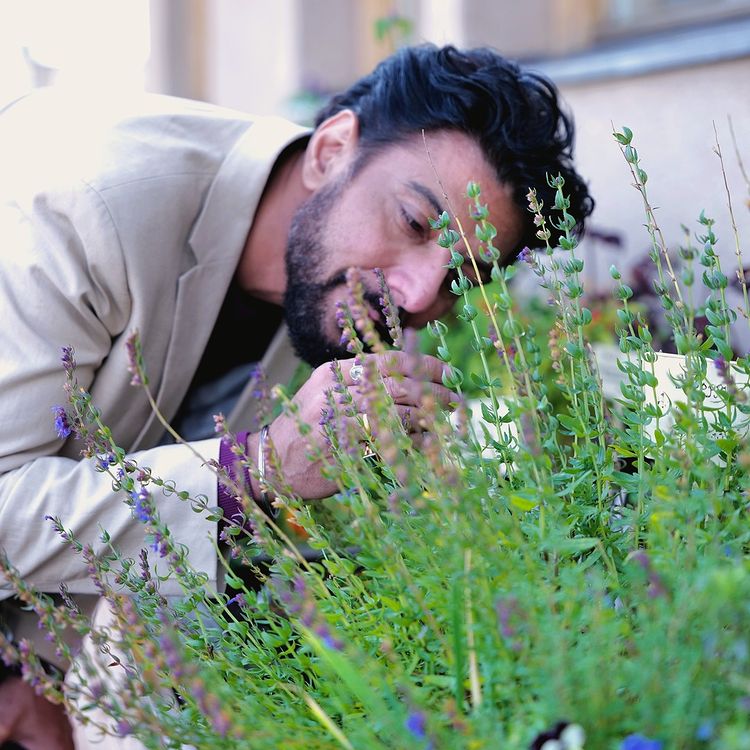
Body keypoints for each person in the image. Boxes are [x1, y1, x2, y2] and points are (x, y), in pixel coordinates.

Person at [0, 43, 593, 748]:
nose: (421, 295)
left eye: (464, 273)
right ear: (332, 149)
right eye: (412, 222)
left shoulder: (332, 288)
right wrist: (255, 471)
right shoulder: (74, 202)